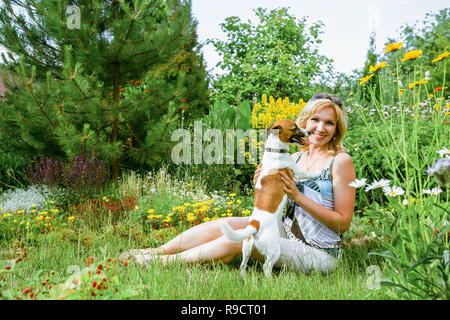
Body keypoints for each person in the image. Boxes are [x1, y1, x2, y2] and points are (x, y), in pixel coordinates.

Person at [119, 93, 356, 274]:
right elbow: (275, 200)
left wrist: (298, 196)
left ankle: (162, 263)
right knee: (225, 223)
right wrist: (262, 182)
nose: (320, 128)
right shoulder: (295, 157)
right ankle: (156, 250)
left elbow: (343, 224)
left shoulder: (341, 161)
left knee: (245, 237)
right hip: (283, 230)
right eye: (315, 119)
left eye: (329, 123)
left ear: (337, 129)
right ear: (305, 121)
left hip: (319, 252)